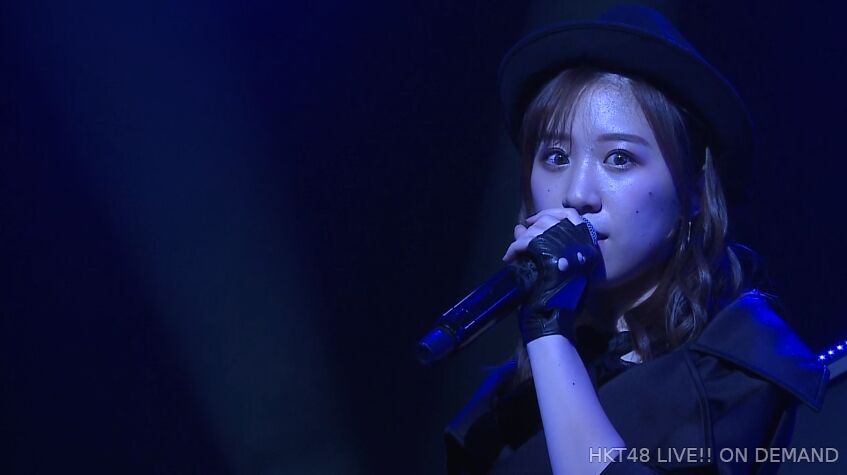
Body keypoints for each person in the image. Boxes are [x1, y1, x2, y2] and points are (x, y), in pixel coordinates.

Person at [443, 5, 830, 475]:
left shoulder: (737, 367)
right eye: (557, 156)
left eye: (620, 159)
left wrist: (547, 334)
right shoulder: (504, 409)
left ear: (692, 192)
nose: (577, 194)